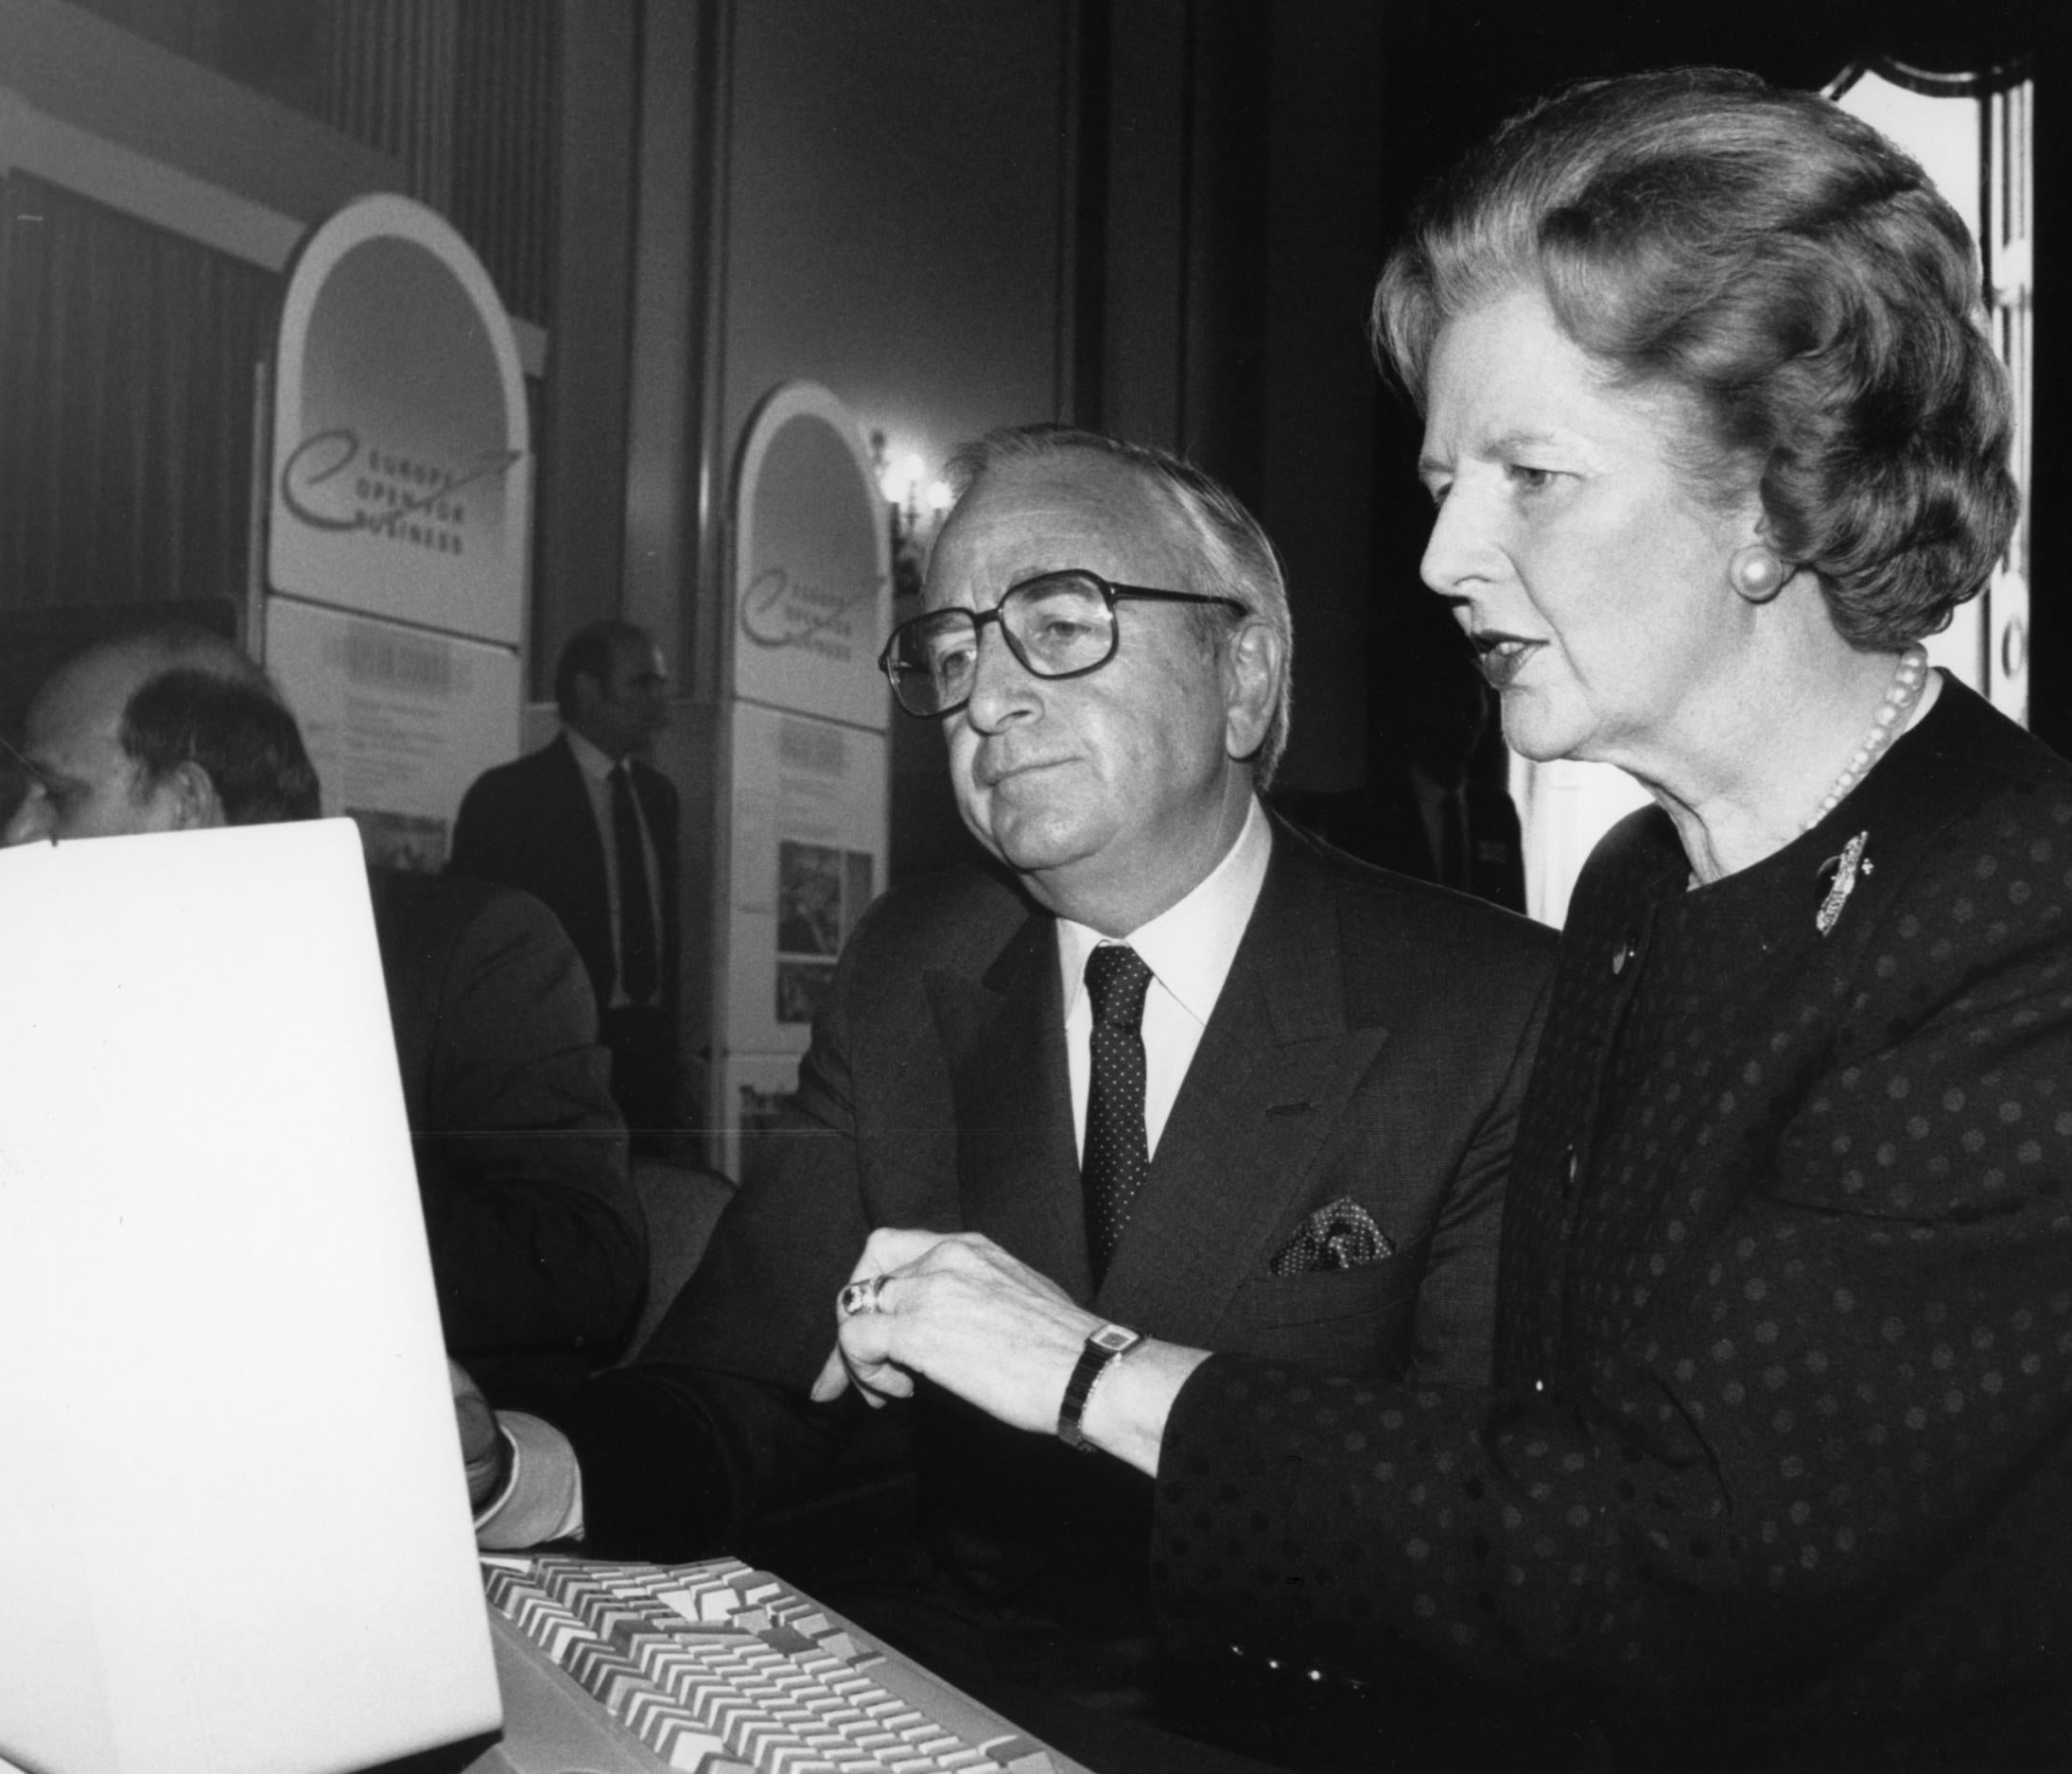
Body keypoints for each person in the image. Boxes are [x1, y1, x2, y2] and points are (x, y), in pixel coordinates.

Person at [822, 73, 2072, 1771]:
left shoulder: (2061, 908)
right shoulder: (1638, 887)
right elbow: (1526, 1449)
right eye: (1443, 475)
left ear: (1776, 494)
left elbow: (1671, 1554)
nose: (1442, 555)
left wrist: (1091, 1371)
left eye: (1530, 475)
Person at [466, 426, 1558, 1745]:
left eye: (1057, 623)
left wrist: (1090, 1376)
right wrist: (514, 1465)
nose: (985, 700)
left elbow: (1491, 1543)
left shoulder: (1489, 1009)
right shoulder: (906, 970)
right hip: (944, 1706)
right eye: (952, 653)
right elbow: (741, 1382)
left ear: (1246, 677)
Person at [5, 631, 647, 1413]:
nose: (14, 835)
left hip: (393, 1450)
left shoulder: (465, 954)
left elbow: (586, 1262)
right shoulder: (54, 975)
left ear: (185, 804)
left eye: (56, 795)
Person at [449, 620, 683, 1155]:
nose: (660, 702)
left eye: (661, 683)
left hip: (647, 1057)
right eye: (641, 684)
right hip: (553, 1055)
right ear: (586, 690)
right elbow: (480, 946)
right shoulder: (509, 797)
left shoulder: (659, 797)